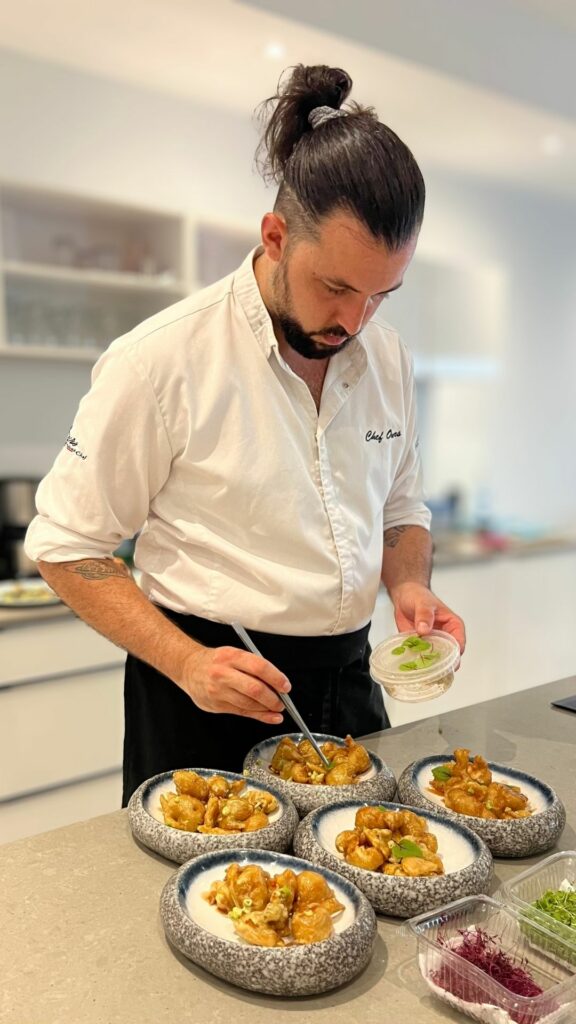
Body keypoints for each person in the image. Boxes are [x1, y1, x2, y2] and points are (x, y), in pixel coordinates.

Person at [25, 64, 466, 804]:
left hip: (350, 689)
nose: (355, 323)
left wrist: (410, 582)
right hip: (208, 697)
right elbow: (65, 546)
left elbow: (400, 512)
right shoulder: (161, 359)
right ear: (275, 236)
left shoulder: (385, 359)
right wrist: (189, 662)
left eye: (380, 295)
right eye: (335, 287)